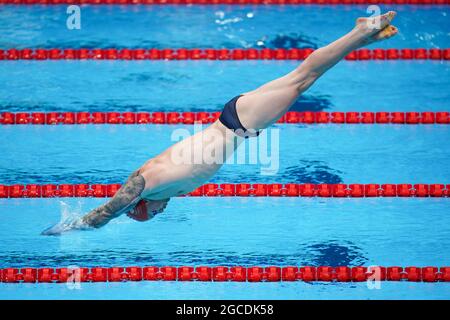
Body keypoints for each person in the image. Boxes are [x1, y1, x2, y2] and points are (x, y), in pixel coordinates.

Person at [42, 11, 398, 235]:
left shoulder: (145, 183)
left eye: (152, 214)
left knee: (305, 77)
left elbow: (108, 209)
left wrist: (73, 226)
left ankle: (362, 31)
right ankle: (361, 37)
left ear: (143, 205)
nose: (161, 211)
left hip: (239, 121)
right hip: (239, 121)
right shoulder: (165, 191)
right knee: (304, 77)